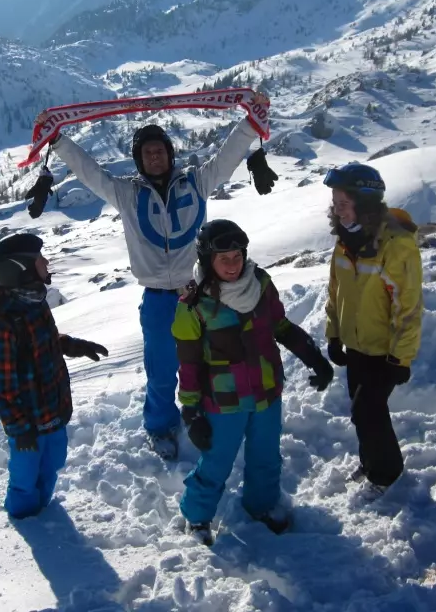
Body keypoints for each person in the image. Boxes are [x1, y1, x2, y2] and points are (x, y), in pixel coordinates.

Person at [47, 116, 261, 459]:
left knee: (210, 362)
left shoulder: (196, 183)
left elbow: (225, 159)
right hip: (159, 300)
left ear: (169, 153)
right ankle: (161, 427)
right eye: (147, 153)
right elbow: (91, 173)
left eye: (159, 150)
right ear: (139, 159)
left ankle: (213, 414)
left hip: (200, 294)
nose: (154, 157)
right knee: (161, 370)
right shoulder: (127, 193)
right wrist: (58, 142)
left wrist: (250, 125)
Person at [172, 219, 334, 545]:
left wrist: (313, 356)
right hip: (223, 402)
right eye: (224, 259)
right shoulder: (193, 307)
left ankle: (260, 505)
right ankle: (197, 515)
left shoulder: (260, 285)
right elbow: (188, 365)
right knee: (217, 462)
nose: (233, 265)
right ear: (207, 261)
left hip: (266, 393)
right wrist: (190, 411)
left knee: (266, 456)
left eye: (237, 256)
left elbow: (282, 327)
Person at [0, 233, 108, 519]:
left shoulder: (36, 303)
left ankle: (44, 511)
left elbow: (44, 341)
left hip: (53, 410)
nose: (47, 262)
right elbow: (1, 386)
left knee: (52, 464)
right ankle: (26, 521)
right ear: (22, 269)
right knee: (25, 477)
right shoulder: (4, 324)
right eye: (40, 259)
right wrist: (18, 427)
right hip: (28, 423)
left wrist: (73, 345)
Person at [323, 163, 423, 497]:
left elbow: (408, 307)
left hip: (384, 351)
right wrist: (334, 334)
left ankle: (387, 475)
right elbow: (336, 291)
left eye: (344, 203)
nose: (337, 210)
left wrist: (401, 358)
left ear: (365, 203)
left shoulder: (395, 246)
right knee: (362, 412)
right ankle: (370, 462)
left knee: (368, 411)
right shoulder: (346, 242)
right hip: (356, 346)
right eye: (335, 203)